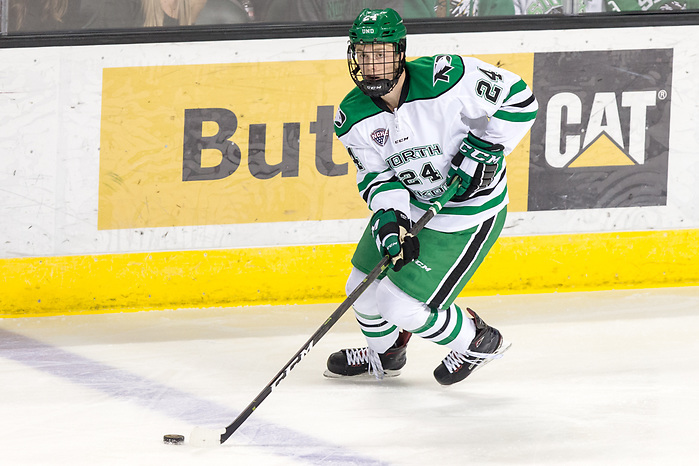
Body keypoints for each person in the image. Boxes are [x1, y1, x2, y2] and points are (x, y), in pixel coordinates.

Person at [326, 8, 537, 385]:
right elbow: (377, 177)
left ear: (400, 52)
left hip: (467, 214)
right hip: (417, 204)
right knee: (360, 286)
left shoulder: (446, 77)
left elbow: (520, 100)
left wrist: (486, 148)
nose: (372, 64)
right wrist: (391, 221)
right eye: (363, 53)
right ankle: (386, 355)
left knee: (397, 303)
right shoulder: (352, 115)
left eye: (381, 53)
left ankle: (477, 340)